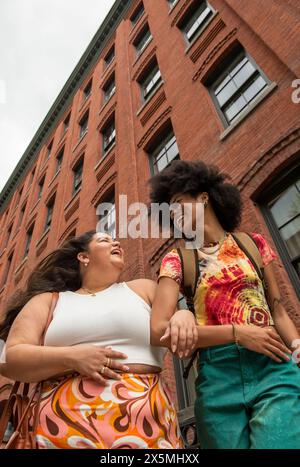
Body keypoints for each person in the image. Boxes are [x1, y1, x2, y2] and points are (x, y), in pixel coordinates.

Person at [149, 159, 300, 449]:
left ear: (203, 197)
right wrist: (237, 333)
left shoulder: (253, 243)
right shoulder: (177, 259)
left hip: (274, 365)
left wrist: (297, 349)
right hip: (217, 377)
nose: (174, 212)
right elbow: (158, 330)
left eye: (179, 202)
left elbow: (277, 309)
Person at [0, 230, 183, 449]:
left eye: (115, 240)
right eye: (105, 240)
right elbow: (11, 358)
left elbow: (179, 339)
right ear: (83, 257)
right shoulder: (49, 301)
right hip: (60, 433)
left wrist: (184, 314)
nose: (116, 242)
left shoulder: (143, 289)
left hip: (150, 429)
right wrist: (73, 357)